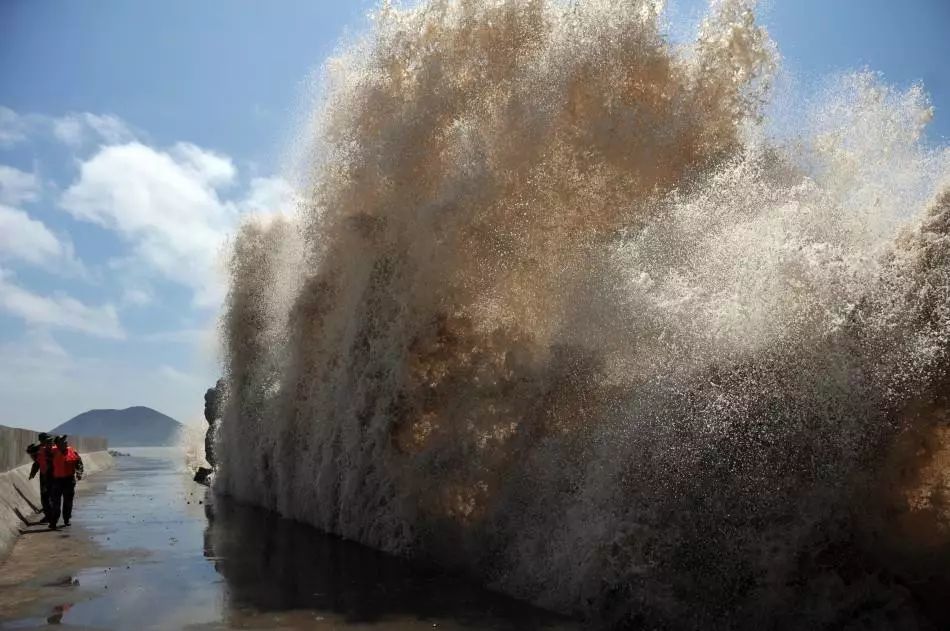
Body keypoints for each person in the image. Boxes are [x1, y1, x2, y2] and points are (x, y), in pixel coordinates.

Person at [48, 435, 83, 529]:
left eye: (65, 441)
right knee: (56, 503)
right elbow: (42, 460)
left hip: (69, 480)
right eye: (63, 441)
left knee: (68, 502)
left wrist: (79, 473)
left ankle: (66, 519)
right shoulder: (52, 452)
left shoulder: (72, 451)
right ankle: (53, 522)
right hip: (57, 481)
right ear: (58, 444)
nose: (66, 442)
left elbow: (78, 463)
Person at [27, 433, 54, 523]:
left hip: (48, 476)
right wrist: (33, 473)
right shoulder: (51, 448)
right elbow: (37, 462)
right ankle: (50, 515)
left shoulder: (42, 449)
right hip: (51, 475)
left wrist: (33, 473)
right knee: (49, 496)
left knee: (46, 497)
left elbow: (37, 462)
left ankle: (49, 516)